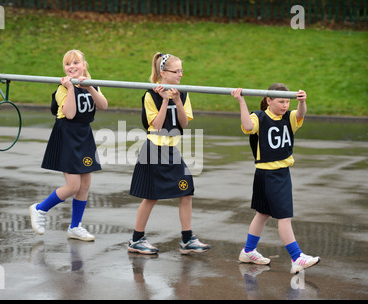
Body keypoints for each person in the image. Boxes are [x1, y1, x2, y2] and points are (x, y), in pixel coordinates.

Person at [231, 83, 320, 274]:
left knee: (262, 213)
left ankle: (248, 251)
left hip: (274, 173)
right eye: (281, 101)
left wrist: (302, 102)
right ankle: (297, 257)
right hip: (271, 174)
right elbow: (247, 126)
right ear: (268, 100)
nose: (285, 105)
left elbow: (301, 114)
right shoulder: (259, 117)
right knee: (284, 218)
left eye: (288, 101)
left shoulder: (289, 118)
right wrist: (241, 101)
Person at [128, 52, 211, 255]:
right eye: (176, 71)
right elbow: (156, 126)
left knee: (186, 191)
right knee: (150, 196)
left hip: (172, 150)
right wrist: (165, 100)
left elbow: (183, 123)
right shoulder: (150, 95)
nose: (181, 75)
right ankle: (136, 240)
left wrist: (177, 101)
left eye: (182, 70)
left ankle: (187, 239)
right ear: (163, 73)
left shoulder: (182, 92)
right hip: (153, 149)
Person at [30, 49, 108, 241]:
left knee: (85, 184)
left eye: (76, 63)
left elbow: (104, 105)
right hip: (67, 134)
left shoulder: (91, 84)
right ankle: (40, 209)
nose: (71, 67)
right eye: (67, 64)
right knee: (73, 185)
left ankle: (75, 226)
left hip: (84, 134)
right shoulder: (62, 88)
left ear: (84, 65)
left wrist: (90, 88)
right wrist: (71, 88)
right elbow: (70, 114)